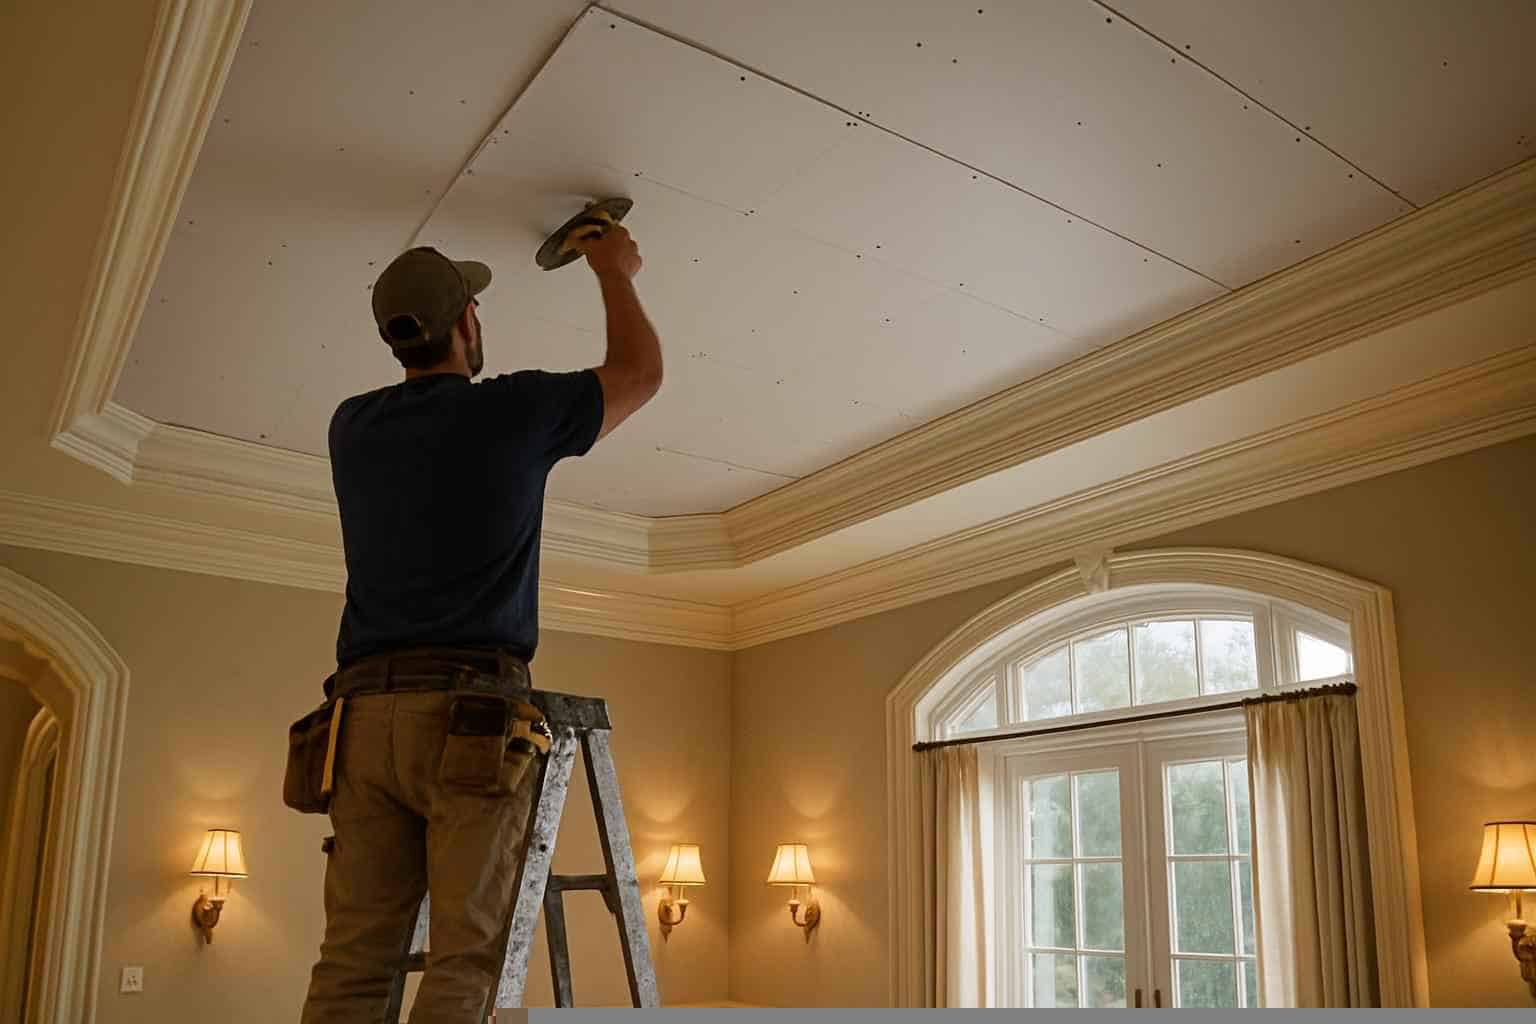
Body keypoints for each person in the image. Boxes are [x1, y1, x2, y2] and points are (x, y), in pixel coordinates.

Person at [298, 224, 661, 1022]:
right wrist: (614, 270)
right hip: (467, 719)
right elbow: (639, 373)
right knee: (469, 958)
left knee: (355, 961)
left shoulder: (351, 426)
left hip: (359, 722)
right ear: (467, 322)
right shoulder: (514, 410)